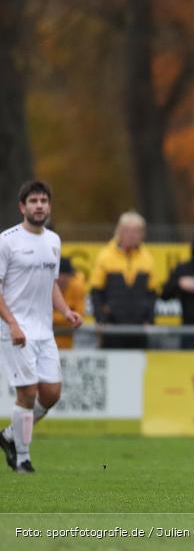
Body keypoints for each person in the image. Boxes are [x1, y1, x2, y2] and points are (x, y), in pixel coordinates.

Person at [0, 180, 83, 473]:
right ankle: (22, 458)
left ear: (49, 206)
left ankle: (10, 435)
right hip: (14, 330)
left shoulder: (53, 241)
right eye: (33, 201)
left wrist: (66, 310)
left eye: (44, 201)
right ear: (22, 207)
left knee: (52, 394)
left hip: (43, 331)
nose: (39, 206)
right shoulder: (7, 241)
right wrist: (11, 323)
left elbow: (51, 285)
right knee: (28, 392)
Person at [90, 211, 157, 349]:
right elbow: (96, 292)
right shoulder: (105, 256)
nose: (132, 235)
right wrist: (101, 319)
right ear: (119, 232)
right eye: (127, 231)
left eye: (136, 231)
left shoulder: (148, 258)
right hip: (113, 327)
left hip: (139, 328)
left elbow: (152, 293)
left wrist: (149, 320)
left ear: (142, 234)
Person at [53, 257, 87, 349]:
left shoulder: (77, 287)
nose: (64, 279)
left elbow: (79, 314)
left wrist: (53, 318)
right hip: (46, 338)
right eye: (61, 275)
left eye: (67, 275)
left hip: (69, 340)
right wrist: (67, 315)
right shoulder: (47, 285)